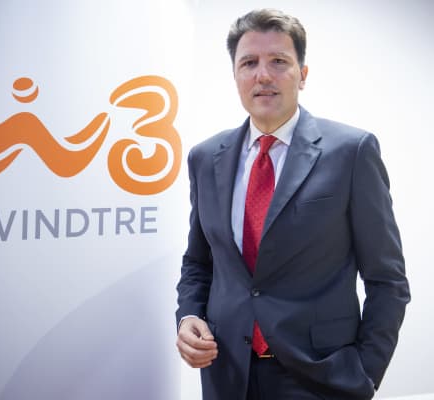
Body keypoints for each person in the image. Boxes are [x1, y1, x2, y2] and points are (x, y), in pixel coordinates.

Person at [175, 8, 410, 400]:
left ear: (302, 74)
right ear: (235, 75)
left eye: (279, 61)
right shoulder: (205, 157)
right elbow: (199, 262)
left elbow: (387, 279)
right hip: (227, 374)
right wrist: (188, 316)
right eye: (249, 63)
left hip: (319, 378)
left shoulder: (351, 152)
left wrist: (364, 374)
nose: (263, 75)